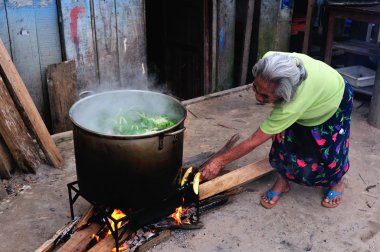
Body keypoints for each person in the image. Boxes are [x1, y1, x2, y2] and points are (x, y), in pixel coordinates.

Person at [200, 51, 353, 209]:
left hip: (333, 100)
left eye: (265, 96)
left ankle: (338, 181)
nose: (258, 98)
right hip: (309, 94)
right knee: (283, 144)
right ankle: (283, 180)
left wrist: (218, 162)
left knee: (329, 150)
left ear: (285, 95)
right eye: (255, 88)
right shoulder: (269, 60)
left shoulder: (290, 107)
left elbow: (254, 141)